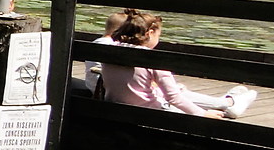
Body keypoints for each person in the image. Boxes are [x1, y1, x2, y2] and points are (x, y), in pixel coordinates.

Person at [93, 9, 256, 118]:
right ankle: (229, 104)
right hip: (153, 114)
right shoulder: (153, 59)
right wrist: (203, 115)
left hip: (115, 110)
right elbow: (174, 98)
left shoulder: (110, 51)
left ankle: (227, 103)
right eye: (158, 36)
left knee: (177, 93)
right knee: (183, 99)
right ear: (150, 33)